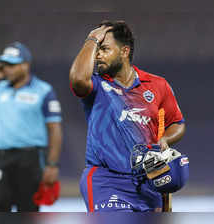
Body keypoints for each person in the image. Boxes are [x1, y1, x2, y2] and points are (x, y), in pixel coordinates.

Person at [69, 20, 186, 212]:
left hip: (149, 180)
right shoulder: (96, 85)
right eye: (96, 49)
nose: (97, 55)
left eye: (104, 48)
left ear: (124, 51)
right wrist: (92, 39)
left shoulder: (157, 85)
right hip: (106, 180)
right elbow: (78, 79)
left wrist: (165, 138)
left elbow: (177, 123)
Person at [0, 41, 62, 212]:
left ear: (25, 65)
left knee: (27, 211)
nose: (6, 69)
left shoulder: (43, 90)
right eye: (4, 65)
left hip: (30, 158)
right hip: (1, 157)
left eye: (12, 65)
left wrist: (52, 164)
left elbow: (55, 129)